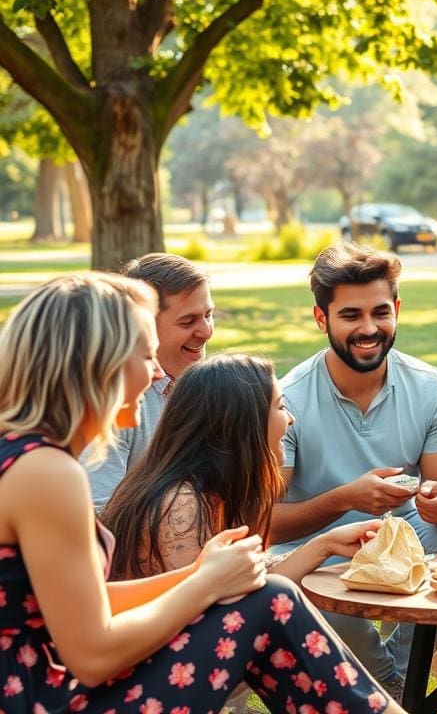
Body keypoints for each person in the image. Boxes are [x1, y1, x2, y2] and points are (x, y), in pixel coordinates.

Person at [0, 273, 401, 714]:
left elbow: (88, 603)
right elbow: (93, 656)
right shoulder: (46, 471)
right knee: (271, 601)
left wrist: (203, 575)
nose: (156, 373)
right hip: (44, 701)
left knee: (265, 595)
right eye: (145, 355)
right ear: (99, 363)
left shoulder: (28, 457)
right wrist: (207, 583)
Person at [270, 242, 437, 698]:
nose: (369, 328)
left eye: (380, 312)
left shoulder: (429, 387)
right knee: (328, 595)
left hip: (405, 535)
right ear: (322, 319)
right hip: (316, 548)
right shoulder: (289, 398)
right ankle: (397, 688)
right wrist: (346, 499)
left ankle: (393, 680)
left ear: (397, 309)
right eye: (350, 315)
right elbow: (266, 522)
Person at [101, 353, 384, 582]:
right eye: (280, 406)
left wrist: (327, 544)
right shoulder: (181, 503)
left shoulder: (211, 494)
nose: (291, 420)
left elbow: (243, 581)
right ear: (243, 423)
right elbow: (204, 608)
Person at [84, 253, 214, 509]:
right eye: (188, 321)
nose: (206, 331)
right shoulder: (120, 405)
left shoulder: (210, 386)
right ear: (145, 327)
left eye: (209, 314)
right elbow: (96, 514)